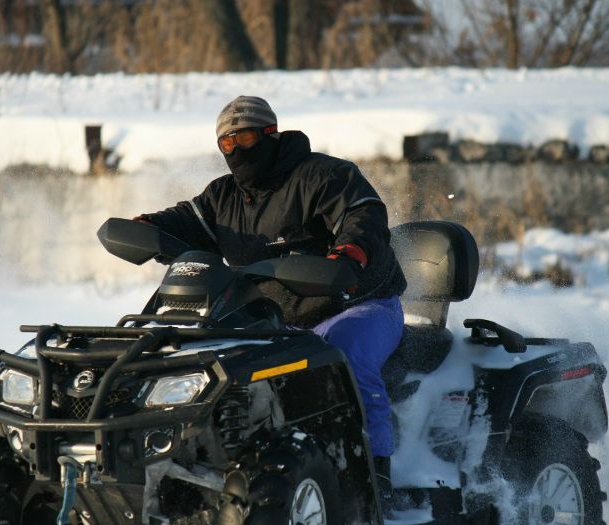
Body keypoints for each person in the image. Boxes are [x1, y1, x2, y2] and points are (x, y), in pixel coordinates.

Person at [132, 95, 407, 503]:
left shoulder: (323, 175)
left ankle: (376, 477)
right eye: (227, 143)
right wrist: (149, 227)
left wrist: (349, 253)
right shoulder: (223, 196)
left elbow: (362, 213)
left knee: (346, 355)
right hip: (278, 317)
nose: (237, 150)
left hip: (357, 305)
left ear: (270, 134)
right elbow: (187, 220)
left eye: (245, 138)